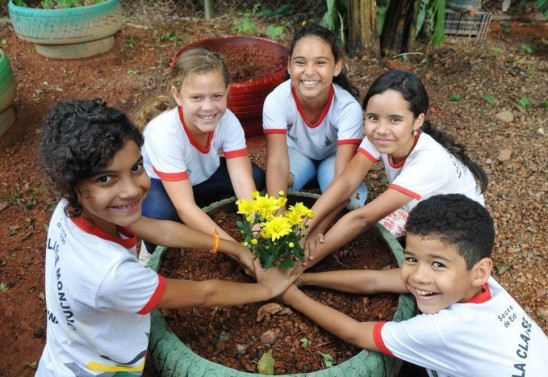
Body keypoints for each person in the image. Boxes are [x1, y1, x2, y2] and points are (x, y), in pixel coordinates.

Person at [36, 99, 297, 376]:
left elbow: (161, 230)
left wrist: (232, 248)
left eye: (136, 167)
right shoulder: (112, 275)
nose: (131, 190)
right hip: (99, 369)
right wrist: (268, 290)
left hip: (67, 350)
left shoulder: (69, 210)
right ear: (71, 186)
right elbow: (203, 294)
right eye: (105, 179)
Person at [281, 194, 548, 376]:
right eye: (411, 258)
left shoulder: (444, 329)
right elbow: (376, 280)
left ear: (480, 271)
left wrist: (289, 294)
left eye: (438, 264)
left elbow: (355, 332)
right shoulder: (477, 284)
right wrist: (304, 279)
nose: (418, 276)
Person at [304, 70, 488, 267]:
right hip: (418, 207)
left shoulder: (429, 161)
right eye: (373, 117)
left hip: (456, 230)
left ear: (418, 120)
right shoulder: (381, 138)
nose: (381, 129)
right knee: (358, 234)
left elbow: (362, 219)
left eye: (395, 120)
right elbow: (347, 182)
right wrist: (305, 228)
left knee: (389, 261)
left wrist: (304, 260)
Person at [137, 47, 265, 259]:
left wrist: (258, 234)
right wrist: (237, 250)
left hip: (201, 180)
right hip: (162, 187)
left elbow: (243, 181)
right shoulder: (164, 133)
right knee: (159, 216)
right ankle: (149, 254)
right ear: (177, 95)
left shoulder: (228, 121)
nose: (208, 107)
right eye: (196, 98)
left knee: (256, 177)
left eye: (216, 96)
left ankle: (204, 216)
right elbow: (185, 207)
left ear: (227, 92)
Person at [262, 23, 366, 209]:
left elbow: (342, 178)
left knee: (351, 201)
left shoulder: (348, 107)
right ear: (289, 66)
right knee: (276, 187)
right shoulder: (276, 100)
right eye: (300, 62)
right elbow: (277, 162)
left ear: (337, 66)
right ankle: (308, 175)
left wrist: (312, 226)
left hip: (333, 158)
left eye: (320, 62)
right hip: (297, 153)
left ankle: (319, 178)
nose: (309, 72)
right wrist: (277, 223)